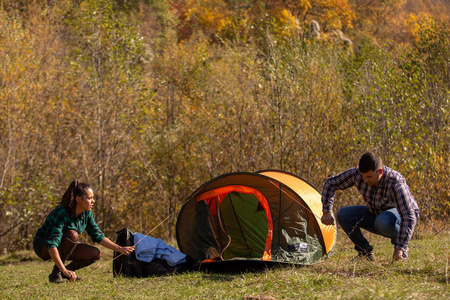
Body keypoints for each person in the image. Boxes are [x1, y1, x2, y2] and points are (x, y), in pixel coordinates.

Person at [321, 151, 419, 262]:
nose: (365, 180)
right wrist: (326, 211)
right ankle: (365, 253)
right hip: (375, 214)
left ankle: (402, 252)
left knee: (383, 221)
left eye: (369, 177)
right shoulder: (357, 174)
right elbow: (330, 183)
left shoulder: (395, 182)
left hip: (397, 217)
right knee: (343, 214)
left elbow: (409, 215)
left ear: (380, 171)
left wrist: (400, 248)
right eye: (363, 177)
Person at [33, 180, 135, 283]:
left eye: (93, 198)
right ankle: (57, 273)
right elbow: (52, 243)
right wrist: (62, 269)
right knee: (72, 235)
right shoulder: (62, 212)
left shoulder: (87, 213)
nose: (93, 201)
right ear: (78, 199)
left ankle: (66, 274)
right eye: (90, 198)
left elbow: (98, 235)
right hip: (43, 246)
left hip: (62, 246)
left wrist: (120, 249)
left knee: (95, 253)